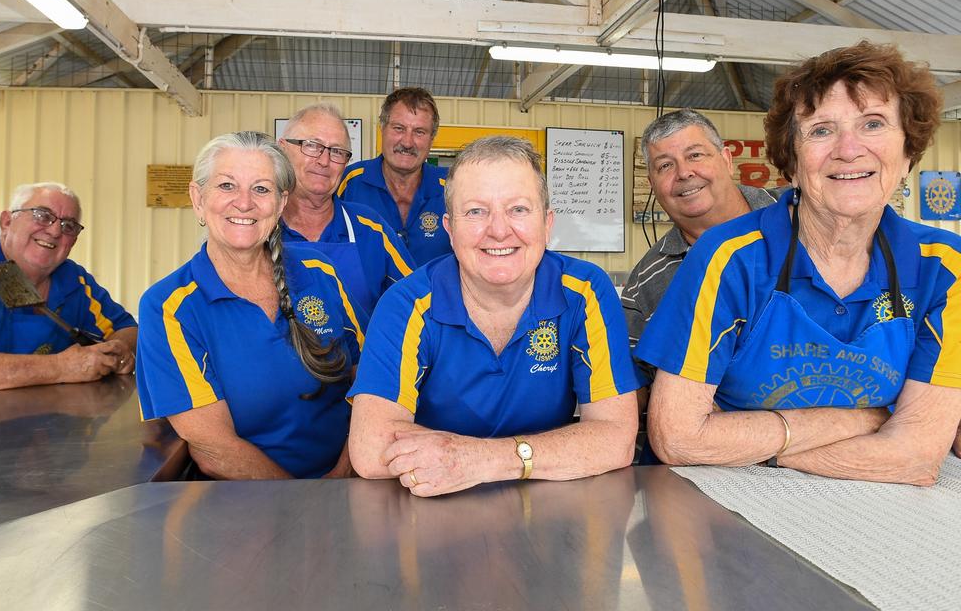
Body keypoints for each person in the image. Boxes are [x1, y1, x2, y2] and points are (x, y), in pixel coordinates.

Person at [638, 41, 961, 485]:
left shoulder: (945, 269)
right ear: (791, 161)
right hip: (723, 501)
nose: (849, 149)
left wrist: (756, 447)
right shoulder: (729, 257)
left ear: (908, 152)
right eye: (821, 130)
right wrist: (867, 420)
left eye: (873, 124)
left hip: (880, 516)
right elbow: (679, 439)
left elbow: (917, 457)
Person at [348, 136, 643, 497]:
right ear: (449, 230)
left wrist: (480, 460)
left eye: (518, 209)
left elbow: (616, 438)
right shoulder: (406, 304)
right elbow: (370, 448)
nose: (499, 230)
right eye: (476, 211)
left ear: (547, 224)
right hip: (431, 504)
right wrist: (545, 452)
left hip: (551, 507)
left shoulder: (585, 291)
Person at [136, 131, 367, 480]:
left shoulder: (320, 272)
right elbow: (213, 448)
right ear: (198, 199)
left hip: (349, 481)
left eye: (261, 189)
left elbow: (371, 379)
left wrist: (344, 473)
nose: (244, 203)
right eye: (227, 186)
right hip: (250, 507)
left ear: (279, 202)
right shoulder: (169, 308)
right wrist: (308, 507)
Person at [0, 182, 136, 395]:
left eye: (68, 225)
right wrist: (61, 367)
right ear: (6, 222)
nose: (54, 231)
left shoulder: (74, 279)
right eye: (42, 215)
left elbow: (128, 330)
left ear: (74, 241)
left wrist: (117, 350)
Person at [623, 110, 775, 367]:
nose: (684, 173)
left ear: (726, 159)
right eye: (665, 166)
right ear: (652, 183)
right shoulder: (643, 286)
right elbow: (638, 386)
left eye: (695, 155)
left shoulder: (799, 215)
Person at [279, 103, 414, 316]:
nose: (324, 161)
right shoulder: (261, 227)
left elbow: (416, 299)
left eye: (337, 151)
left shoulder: (371, 229)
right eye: (312, 146)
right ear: (283, 148)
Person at [338, 87, 451, 266]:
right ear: (382, 129)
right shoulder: (347, 182)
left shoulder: (454, 186)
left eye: (419, 132)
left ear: (432, 138)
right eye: (399, 128)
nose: (407, 142)